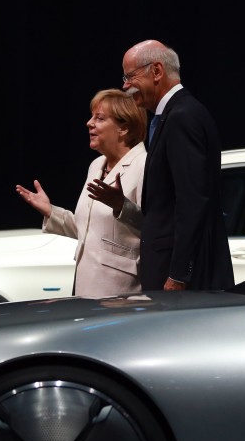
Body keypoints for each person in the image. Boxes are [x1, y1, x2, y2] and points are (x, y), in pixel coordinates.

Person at [115, 39, 234, 291]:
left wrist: (179, 274)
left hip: (179, 277)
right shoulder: (177, 113)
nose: (125, 86)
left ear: (156, 71)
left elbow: (192, 201)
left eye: (129, 76)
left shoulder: (182, 117)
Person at [16, 89, 148, 297]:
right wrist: (51, 212)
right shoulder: (96, 165)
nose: (89, 123)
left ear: (123, 128)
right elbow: (88, 230)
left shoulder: (145, 165)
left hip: (121, 292)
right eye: (91, 116)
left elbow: (156, 228)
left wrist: (122, 206)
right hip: (85, 288)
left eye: (99, 118)